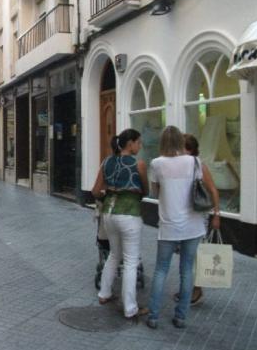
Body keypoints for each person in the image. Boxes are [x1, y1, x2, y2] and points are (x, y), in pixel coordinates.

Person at [145, 126, 220, 330]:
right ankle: (181, 316)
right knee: (186, 270)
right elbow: (211, 188)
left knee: (161, 270)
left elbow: (155, 192)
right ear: (180, 141)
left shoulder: (156, 164)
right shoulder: (195, 162)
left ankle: (153, 316)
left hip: (168, 225)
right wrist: (216, 214)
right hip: (193, 226)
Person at [91, 129, 148, 319]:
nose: (140, 146)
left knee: (114, 255)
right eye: (138, 142)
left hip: (108, 214)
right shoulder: (138, 164)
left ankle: (104, 294)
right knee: (131, 261)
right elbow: (144, 190)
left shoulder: (107, 162)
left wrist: (109, 192)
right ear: (130, 143)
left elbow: (95, 191)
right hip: (129, 214)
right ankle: (130, 308)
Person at [171, 134, 220, 305]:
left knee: (196, 255)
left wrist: (217, 214)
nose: (177, 151)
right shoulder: (178, 166)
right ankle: (188, 289)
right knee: (186, 256)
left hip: (198, 217)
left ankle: (197, 290)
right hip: (183, 218)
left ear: (190, 150)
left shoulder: (200, 166)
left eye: (180, 148)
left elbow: (213, 190)